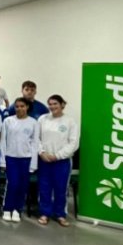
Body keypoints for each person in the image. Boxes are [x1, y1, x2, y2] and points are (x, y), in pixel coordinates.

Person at [37, 95, 79, 227]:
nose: (52, 106)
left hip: (62, 162)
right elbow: (36, 138)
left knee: (61, 189)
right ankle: (45, 213)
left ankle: (60, 214)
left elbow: (73, 143)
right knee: (44, 188)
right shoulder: (43, 119)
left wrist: (57, 156)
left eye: (55, 103)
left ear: (62, 105)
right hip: (44, 160)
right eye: (50, 104)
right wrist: (41, 152)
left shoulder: (70, 122)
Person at [1, 97, 40, 223]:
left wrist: (33, 164)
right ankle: (7, 209)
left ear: (27, 107)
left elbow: (35, 144)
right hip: (11, 158)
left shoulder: (33, 122)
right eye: (17, 106)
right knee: (13, 184)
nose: (19, 109)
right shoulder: (8, 121)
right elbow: (3, 142)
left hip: (26, 159)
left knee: (23, 185)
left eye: (22, 106)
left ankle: (17, 210)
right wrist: (3, 161)